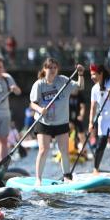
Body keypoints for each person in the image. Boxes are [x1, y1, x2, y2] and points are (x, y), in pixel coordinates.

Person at [30, 58, 84, 186]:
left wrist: (80, 74)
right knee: (43, 150)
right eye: (50, 68)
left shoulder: (63, 81)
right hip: (44, 122)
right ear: (45, 69)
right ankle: (38, 179)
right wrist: (39, 109)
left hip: (61, 122)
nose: (53, 70)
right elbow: (32, 103)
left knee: (64, 150)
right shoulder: (39, 84)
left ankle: (66, 177)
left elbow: (80, 86)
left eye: (55, 67)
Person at [69, 89, 87, 155]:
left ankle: (84, 150)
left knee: (81, 134)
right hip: (69, 118)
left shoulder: (80, 96)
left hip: (77, 117)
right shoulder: (68, 95)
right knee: (67, 131)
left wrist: (81, 115)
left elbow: (82, 107)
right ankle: (66, 148)